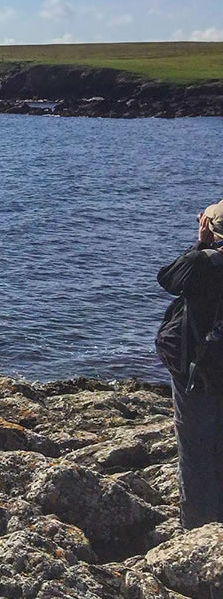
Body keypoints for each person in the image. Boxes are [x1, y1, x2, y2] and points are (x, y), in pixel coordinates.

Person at [156, 202, 223, 529]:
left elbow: (167, 277)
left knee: (195, 447)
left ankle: (198, 529)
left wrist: (202, 243)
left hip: (194, 368)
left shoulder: (202, 263)